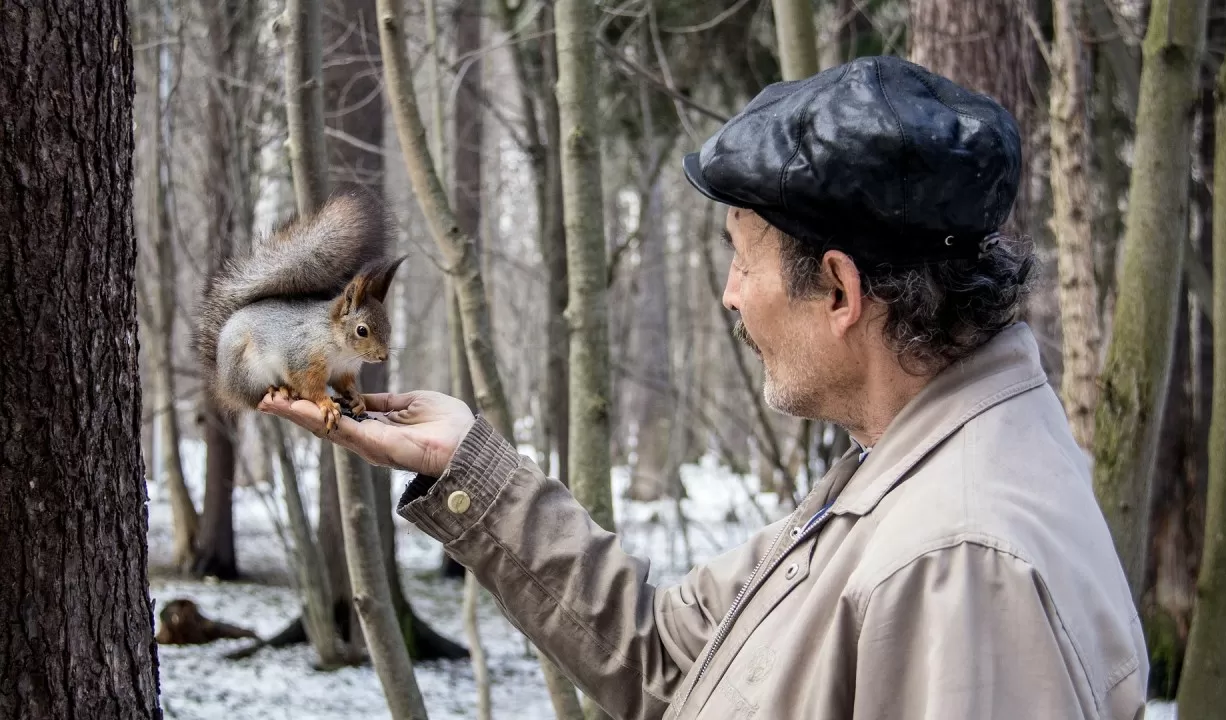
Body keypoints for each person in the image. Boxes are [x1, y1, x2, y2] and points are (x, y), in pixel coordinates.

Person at [261, 55, 1148, 720]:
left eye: (741, 256)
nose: (729, 293)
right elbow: (667, 655)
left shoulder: (956, 565)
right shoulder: (899, 473)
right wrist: (469, 469)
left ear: (838, 291)